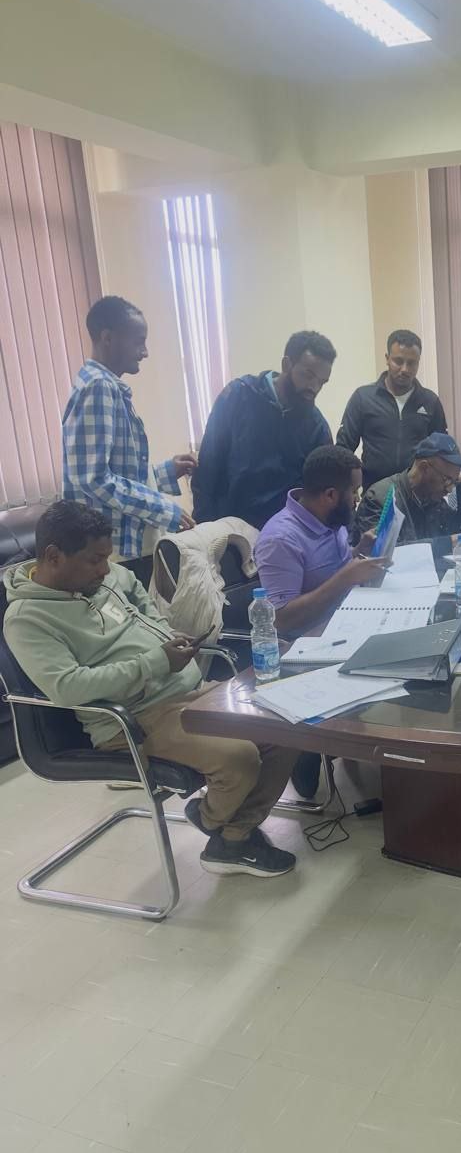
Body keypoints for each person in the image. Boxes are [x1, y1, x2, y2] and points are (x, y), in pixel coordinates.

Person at [4, 501, 300, 878]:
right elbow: (67, 687)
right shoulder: (27, 619)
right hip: (133, 720)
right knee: (239, 757)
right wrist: (156, 662)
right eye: (95, 560)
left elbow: (141, 602)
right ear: (53, 556)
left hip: (189, 691)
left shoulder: (105, 577)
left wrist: (167, 634)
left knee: (284, 724)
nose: (105, 569)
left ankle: (231, 836)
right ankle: (222, 826)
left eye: (106, 558)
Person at [62, 296, 197, 587]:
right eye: (138, 342)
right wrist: (162, 509)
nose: (145, 352)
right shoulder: (99, 387)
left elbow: (117, 473)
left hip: (118, 549)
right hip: (110, 553)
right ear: (108, 338)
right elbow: (94, 479)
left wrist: (165, 472)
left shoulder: (105, 385)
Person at [192, 331, 336, 529]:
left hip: (283, 535)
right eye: (308, 375)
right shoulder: (239, 396)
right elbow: (208, 467)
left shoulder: (316, 425)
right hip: (229, 529)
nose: (314, 387)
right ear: (287, 364)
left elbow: (320, 490)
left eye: (322, 382)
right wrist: (205, 527)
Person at [255, 446, 387, 637]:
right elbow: (281, 621)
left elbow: (325, 566)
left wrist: (358, 551)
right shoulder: (280, 540)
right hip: (311, 641)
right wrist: (345, 579)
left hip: (350, 619)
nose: (357, 499)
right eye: (354, 491)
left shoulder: (331, 517)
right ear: (330, 495)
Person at [337, 329, 447, 488]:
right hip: (374, 491)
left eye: (411, 363)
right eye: (398, 361)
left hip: (417, 493)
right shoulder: (363, 398)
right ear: (387, 359)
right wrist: (349, 488)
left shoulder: (430, 401)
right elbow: (343, 449)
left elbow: (441, 451)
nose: (405, 369)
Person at [351, 433, 461, 551]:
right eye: (446, 480)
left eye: (454, 482)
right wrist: (444, 544)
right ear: (424, 468)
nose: (449, 489)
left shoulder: (433, 499)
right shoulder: (380, 498)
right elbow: (384, 554)